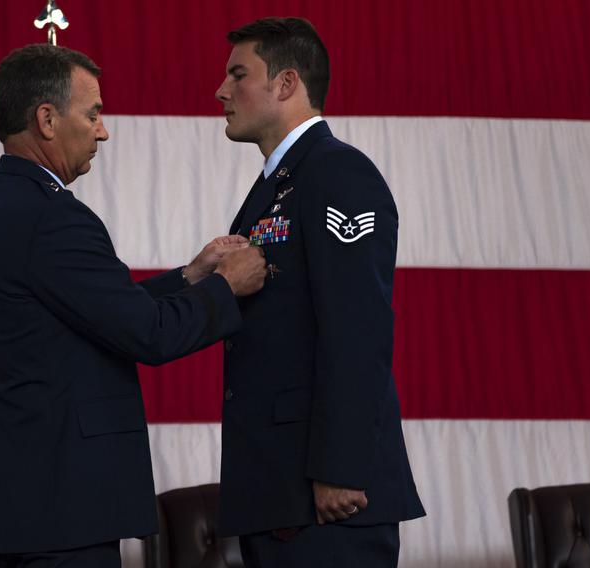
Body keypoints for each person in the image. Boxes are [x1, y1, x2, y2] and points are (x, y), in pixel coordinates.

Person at [0, 44, 267, 568]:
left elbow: (89, 318)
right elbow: (148, 334)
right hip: (62, 512)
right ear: (47, 120)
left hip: (37, 507)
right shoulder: (51, 218)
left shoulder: (5, 206)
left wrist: (191, 275)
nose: (103, 131)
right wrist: (227, 287)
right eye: (94, 113)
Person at [213, 17, 426, 567]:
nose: (222, 90)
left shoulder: (337, 174)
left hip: (327, 497)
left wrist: (341, 467)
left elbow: (358, 329)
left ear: (286, 84)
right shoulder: (282, 183)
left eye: (239, 74)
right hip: (280, 489)